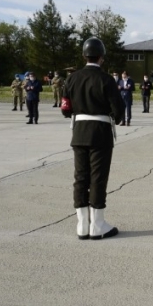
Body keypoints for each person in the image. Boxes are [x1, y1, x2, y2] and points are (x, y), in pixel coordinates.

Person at [62, 37, 124, 240]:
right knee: (98, 178)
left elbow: (65, 108)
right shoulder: (106, 79)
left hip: (79, 132)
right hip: (100, 132)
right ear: (101, 58)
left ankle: (81, 225)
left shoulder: (71, 78)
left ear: (83, 56)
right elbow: (119, 110)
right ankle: (97, 225)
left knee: (81, 177)